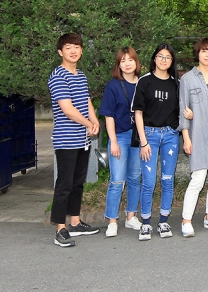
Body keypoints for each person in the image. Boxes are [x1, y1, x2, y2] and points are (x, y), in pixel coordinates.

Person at [48, 33, 100, 247]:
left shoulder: (81, 75)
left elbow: (86, 100)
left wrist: (94, 120)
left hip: (83, 139)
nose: (73, 51)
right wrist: (88, 124)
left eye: (77, 47)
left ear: (81, 51)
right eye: (68, 47)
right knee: (64, 184)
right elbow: (67, 109)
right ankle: (60, 228)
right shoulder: (58, 76)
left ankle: (75, 222)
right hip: (66, 139)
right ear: (60, 52)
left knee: (78, 182)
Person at [132, 43, 180, 241]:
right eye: (160, 56)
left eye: (167, 57)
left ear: (172, 61)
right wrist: (143, 142)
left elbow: (182, 110)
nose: (163, 60)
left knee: (167, 179)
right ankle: (145, 223)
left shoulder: (176, 84)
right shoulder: (144, 81)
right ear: (154, 58)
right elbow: (138, 113)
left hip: (170, 135)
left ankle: (163, 221)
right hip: (149, 135)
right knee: (149, 181)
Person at [179, 38, 208, 237]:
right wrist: (186, 138)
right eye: (204, 51)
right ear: (197, 53)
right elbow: (183, 110)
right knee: (197, 179)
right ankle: (186, 221)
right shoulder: (187, 78)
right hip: (198, 136)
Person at [100, 47, 142, 237]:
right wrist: (113, 142)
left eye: (130, 60)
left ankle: (131, 216)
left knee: (135, 178)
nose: (127, 64)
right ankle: (112, 220)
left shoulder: (142, 83)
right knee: (117, 180)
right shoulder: (113, 86)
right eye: (123, 61)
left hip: (138, 137)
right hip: (120, 137)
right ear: (118, 65)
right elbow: (108, 116)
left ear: (136, 62)